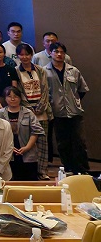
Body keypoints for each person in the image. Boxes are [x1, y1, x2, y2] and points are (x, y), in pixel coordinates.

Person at [44, 42, 90, 174]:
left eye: (62, 52)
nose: (59, 54)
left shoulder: (73, 71)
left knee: (79, 141)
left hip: (75, 112)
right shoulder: (44, 71)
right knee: (62, 143)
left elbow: (82, 89)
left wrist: (74, 101)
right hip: (57, 112)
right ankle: (68, 168)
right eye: (56, 51)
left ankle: (82, 169)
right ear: (50, 53)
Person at [14, 42, 51, 180]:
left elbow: (45, 90)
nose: (24, 57)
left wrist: (40, 107)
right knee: (27, 142)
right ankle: (30, 172)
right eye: (21, 54)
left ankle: (43, 172)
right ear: (18, 56)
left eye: (27, 54)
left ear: (31, 55)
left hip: (42, 111)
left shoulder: (40, 70)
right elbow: (18, 92)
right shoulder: (16, 72)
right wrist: (29, 108)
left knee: (43, 143)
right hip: (26, 111)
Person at [0, 86, 44, 181]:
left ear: (20, 98)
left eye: (15, 96)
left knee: (29, 181)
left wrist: (27, 147)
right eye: (9, 96)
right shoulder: (0, 113)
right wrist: (9, 148)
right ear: (5, 98)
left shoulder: (28, 113)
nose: (12, 99)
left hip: (28, 153)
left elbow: (36, 131)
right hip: (7, 154)